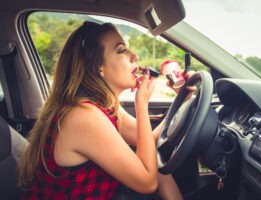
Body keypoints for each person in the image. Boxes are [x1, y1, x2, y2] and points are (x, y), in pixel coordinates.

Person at [18, 21, 192, 199]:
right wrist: (141, 104)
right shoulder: (83, 116)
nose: (134, 57)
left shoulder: (103, 105)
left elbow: (150, 141)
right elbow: (148, 183)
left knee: (158, 165)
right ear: (98, 67)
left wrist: (182, 98)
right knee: (156, 168)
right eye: (122, 51)